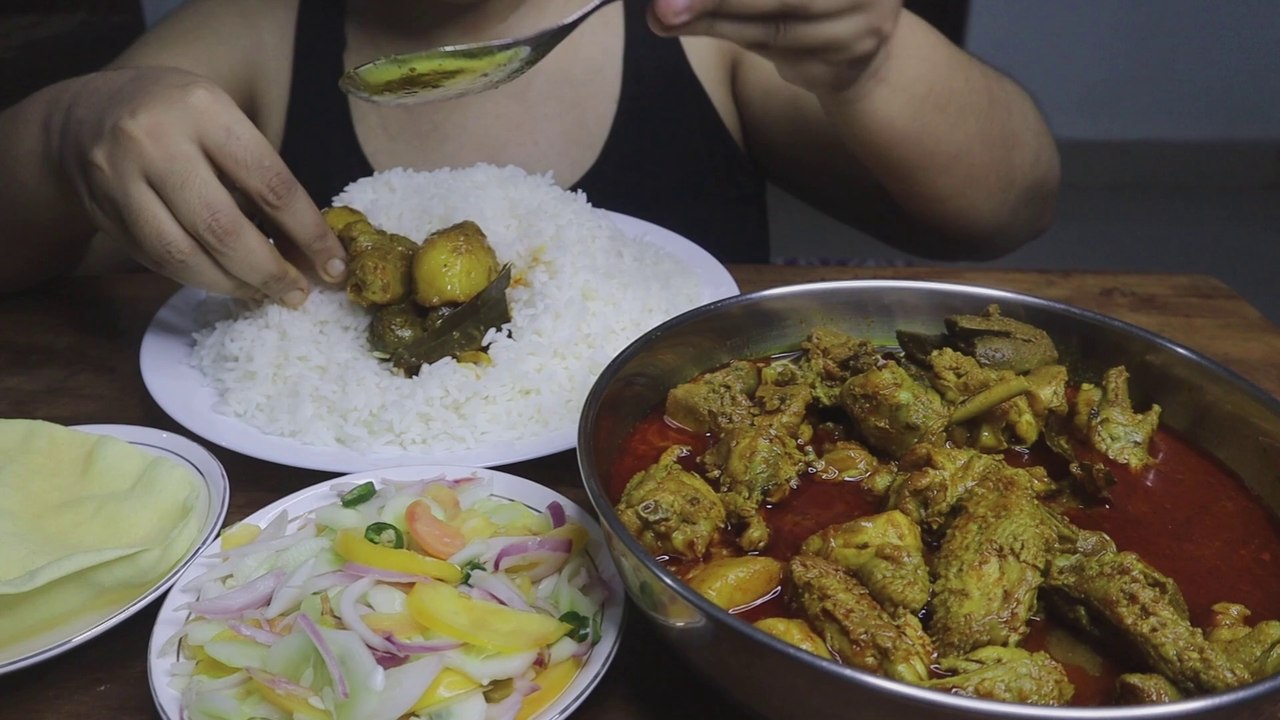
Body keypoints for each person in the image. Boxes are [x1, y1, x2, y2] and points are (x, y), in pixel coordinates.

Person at [0, 0, 1060, 309]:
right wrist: (63, 134)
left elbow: (999, 209)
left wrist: (871, 53)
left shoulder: (698, 30)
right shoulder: (249, 33)